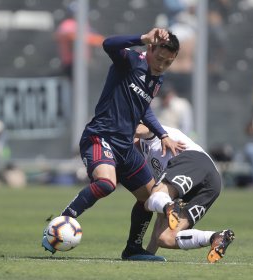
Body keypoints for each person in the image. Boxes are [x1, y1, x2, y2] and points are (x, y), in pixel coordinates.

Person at [42, 28, 184, 261]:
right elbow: (108, 43)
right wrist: (141, 38)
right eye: (159, 58)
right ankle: (60, 223)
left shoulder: (157, 78)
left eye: (168, 63)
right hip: (100, 137)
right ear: (150, 48)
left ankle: (132, 250)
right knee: (107, 183)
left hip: (125, 147)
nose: (161, 65)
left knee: (151, 200)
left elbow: (143, 109)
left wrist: (162, 134)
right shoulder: (130, 60)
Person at [134, 124, 235, 263]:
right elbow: (163, 214)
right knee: (165, 238)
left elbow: (140, 129)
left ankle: (168, 204)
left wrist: (118, 134)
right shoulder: (147, 161)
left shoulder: (148, 132)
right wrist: (148, 254)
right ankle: (216, 237)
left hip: (194, 160)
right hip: (212, 183)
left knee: (149, 201)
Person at [55, 3, 104, 81]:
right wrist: (88, 39)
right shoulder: (67, 24)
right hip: (71, 63)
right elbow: (70, 37)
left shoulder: (84, 24)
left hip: (83, 62)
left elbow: (98, 40)